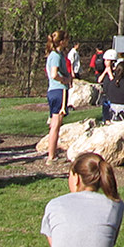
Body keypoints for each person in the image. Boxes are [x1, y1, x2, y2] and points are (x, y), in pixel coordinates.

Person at [45, 30, 72, 165]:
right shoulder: (55, 55)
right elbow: (54, 74)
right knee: (56, 124)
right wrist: (64, 80)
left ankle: (52, 152)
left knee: (55, 123)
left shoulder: (59, 54)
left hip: (55, 91)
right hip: (58, 91)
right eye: (66, 39)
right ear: (61, 42)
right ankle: (51, 156)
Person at [97, 49, 118, 122]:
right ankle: (106, 120)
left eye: (107, 60)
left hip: (112, 95)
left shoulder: (115, 71)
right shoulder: (105, 70)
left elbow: (114, 81)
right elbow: (99, 80)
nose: (105, 62)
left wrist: (110, 72)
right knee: (105, 111)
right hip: (105, 94)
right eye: (105, 60)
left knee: (112, 112)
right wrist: (105, 72)